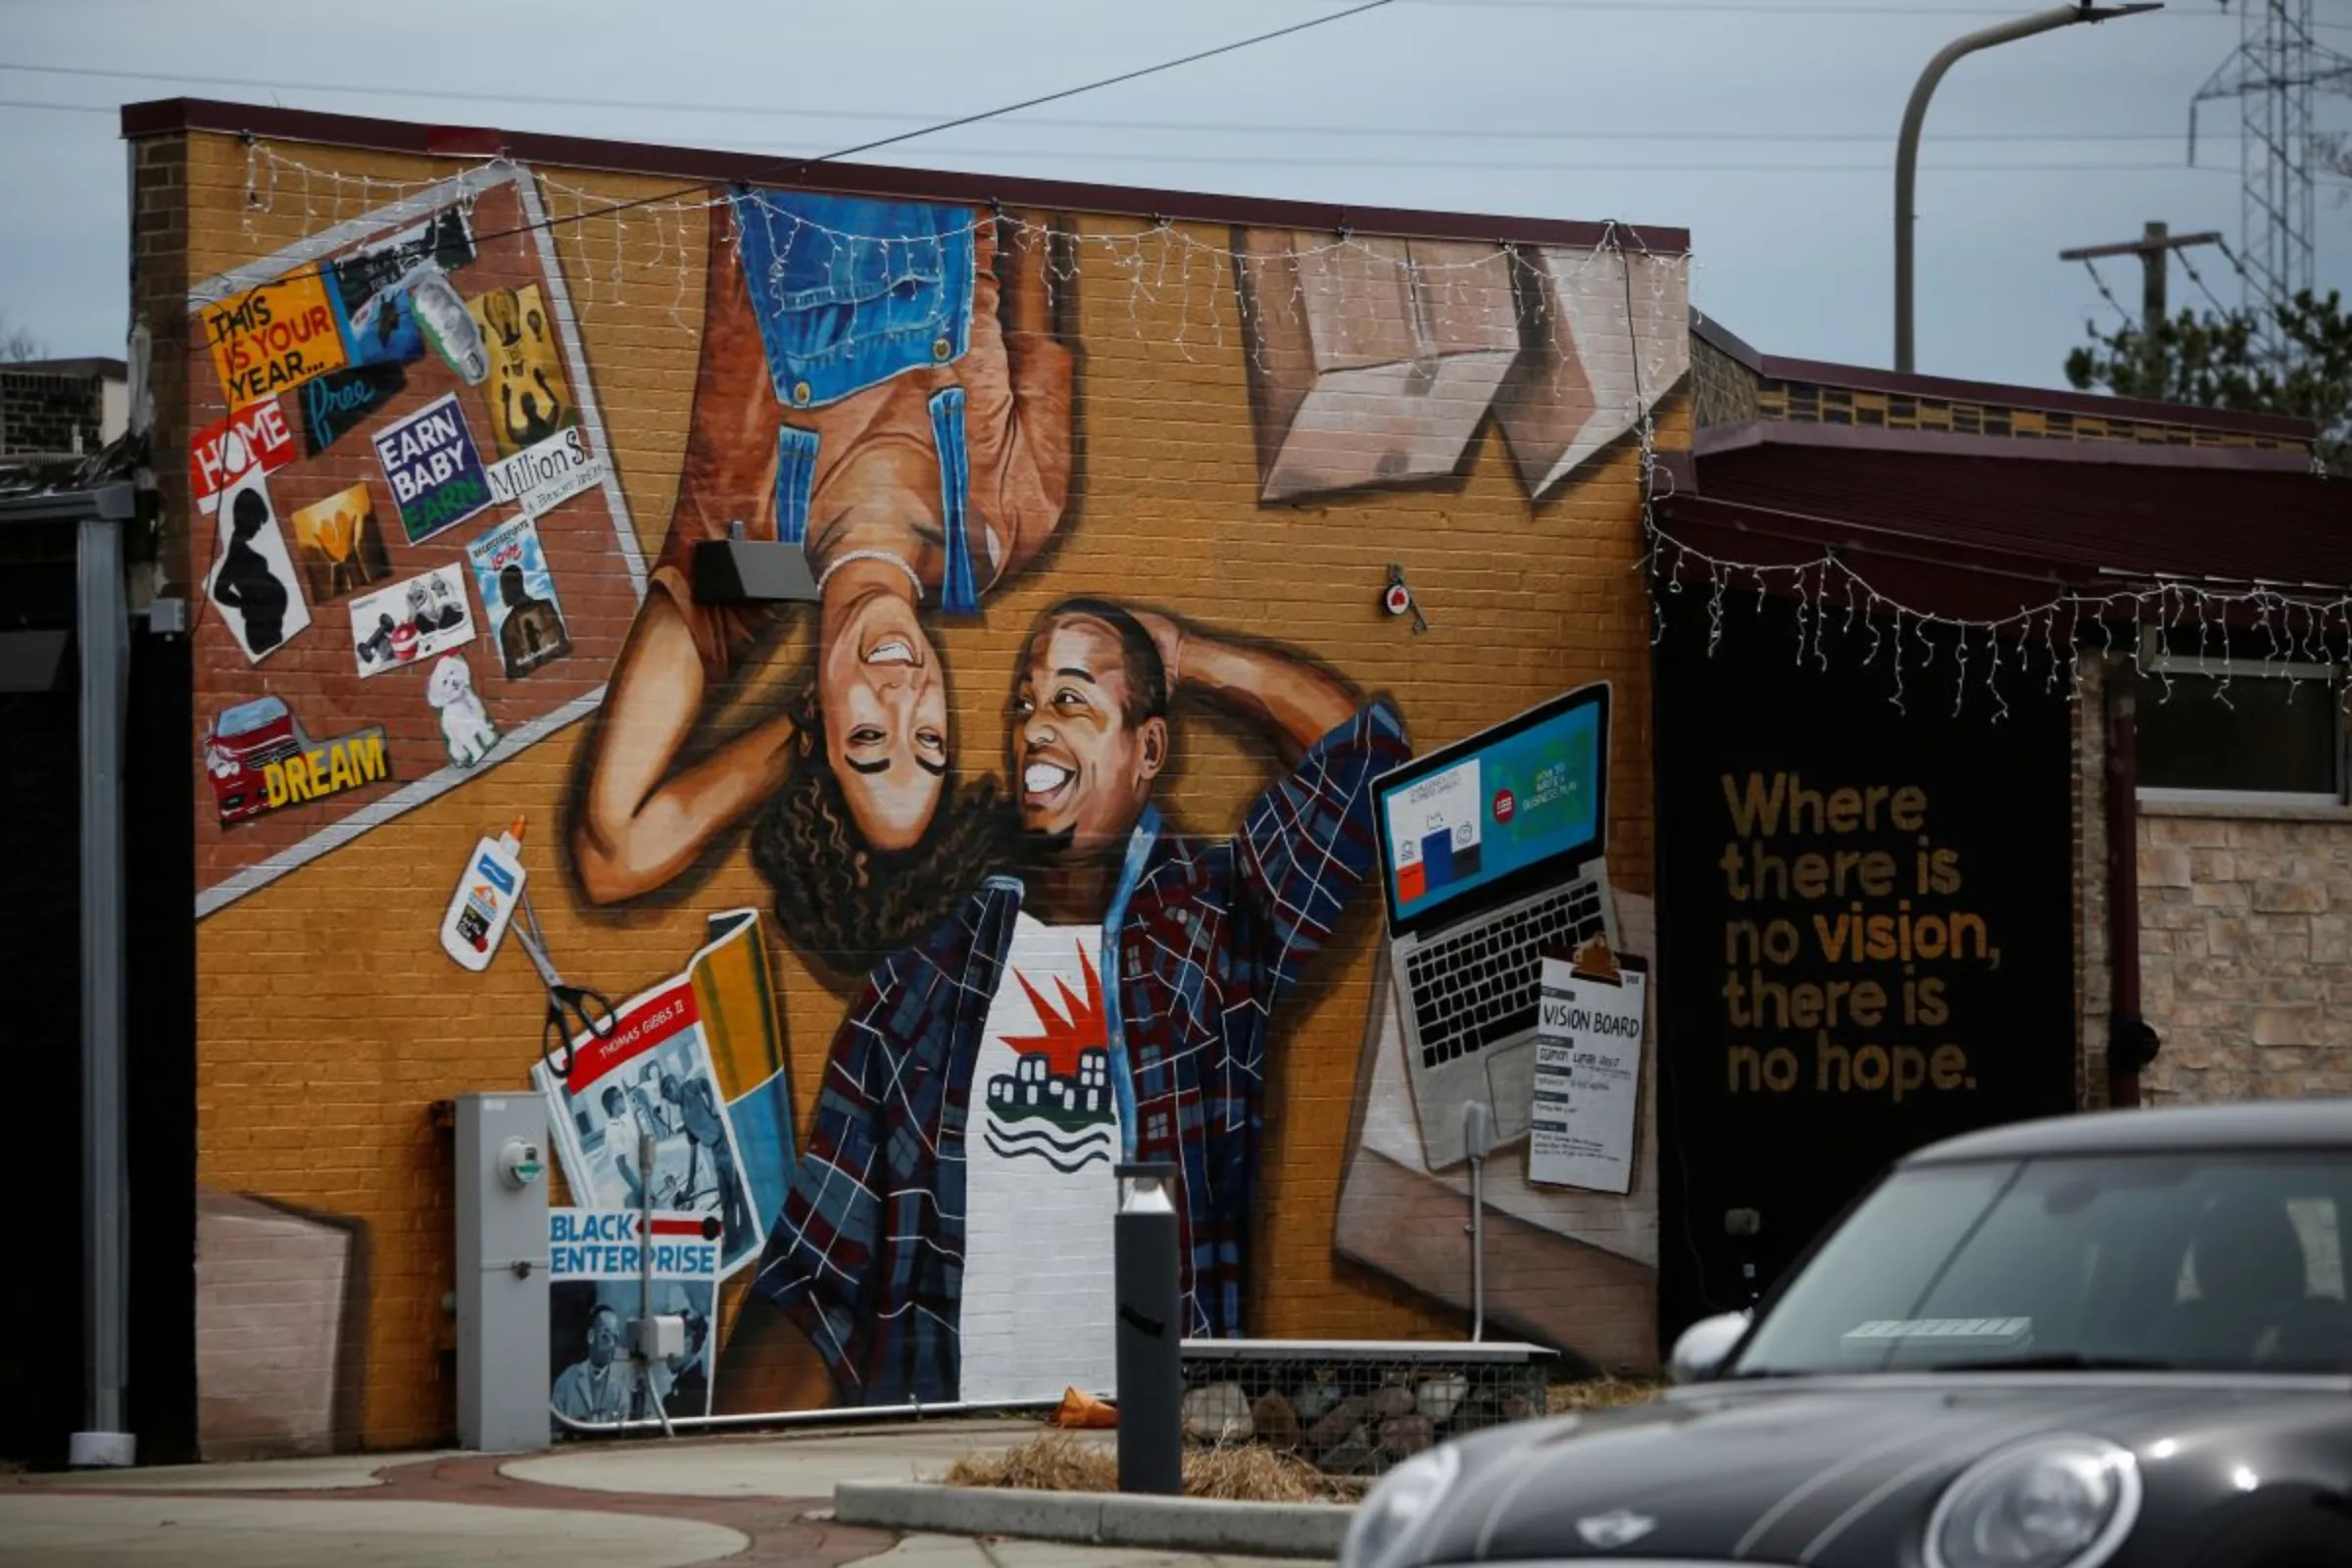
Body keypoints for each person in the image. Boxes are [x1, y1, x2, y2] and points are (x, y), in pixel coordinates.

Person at [728, 600, 1410, 1407]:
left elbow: (1366, 763)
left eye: (1071, 700)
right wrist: (731, 1464)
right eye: (1023, 704)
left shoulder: (1212, 938)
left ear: (1146, 748)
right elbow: (814, 1285)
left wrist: (1187, 656)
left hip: (1149, 1455)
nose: (1035, 728)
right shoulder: (918, 993)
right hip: (951, 1460)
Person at [570, 191, 1074, 977]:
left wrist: (794, 738)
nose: (905, 694)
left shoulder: (755, 564)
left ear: (821, 743)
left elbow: (616, 851)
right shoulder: (1015, 516)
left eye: (869, 739)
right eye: (932, 740)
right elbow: (1033, 216)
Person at [212, 487, 290, 655]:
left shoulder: (239, 548)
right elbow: (219, 591)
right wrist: (245, 604)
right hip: (261, 630)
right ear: (248, 518)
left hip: (266, 625)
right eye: (257, 522)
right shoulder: (237, 553)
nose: (259, 528)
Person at [550, 1304, 634, 1422]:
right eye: (605, 1336)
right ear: (591, 1336)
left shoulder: (621, 1388)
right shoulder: (566, 1382)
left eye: (615, 1338)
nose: (611, 1345)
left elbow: (623, 1434)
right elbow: (555, 1430)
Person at [497, 562, 570, 677]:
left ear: (513, 587)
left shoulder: (506, 628)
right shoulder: (546, 606)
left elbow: (513, 675)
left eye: (503, 588)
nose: (501, 593)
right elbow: (564, 647)